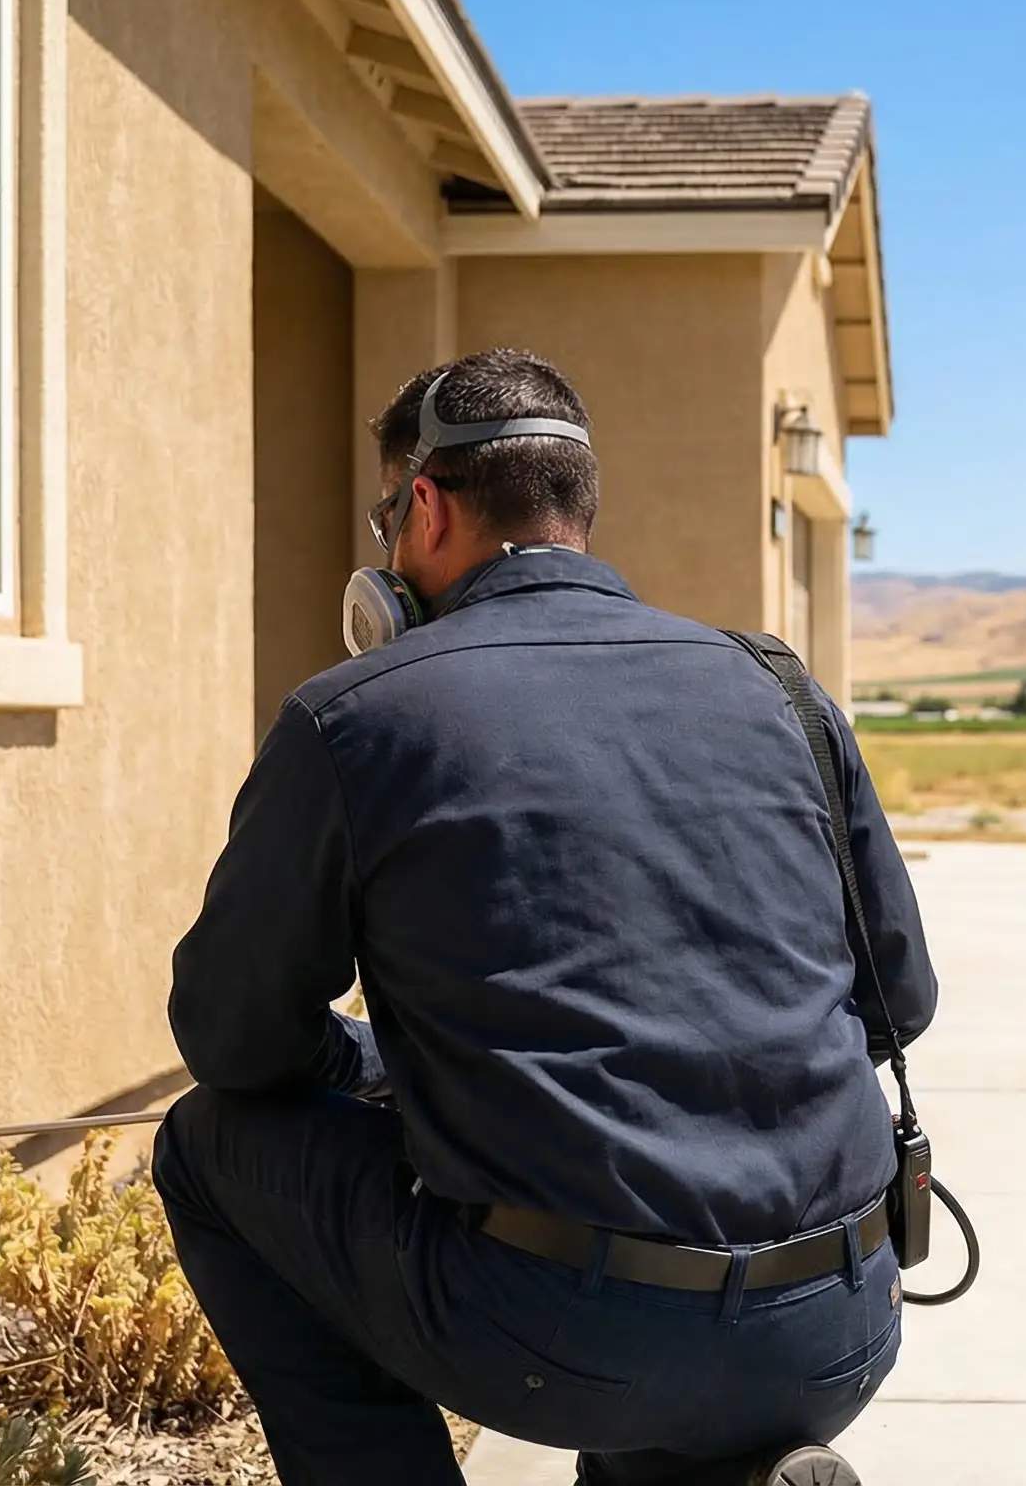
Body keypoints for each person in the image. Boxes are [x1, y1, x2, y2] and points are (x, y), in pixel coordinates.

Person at [154, 348, 938, 1486]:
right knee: (644, 1329)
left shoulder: (359, 716)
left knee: (209, 1145)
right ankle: (721, 1461)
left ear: (423, 507)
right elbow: (897, 1001)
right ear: (576, 512)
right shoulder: (780, 689)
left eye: (388, 518)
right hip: (843, 1323)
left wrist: (371, 1063)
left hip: (562, 1335)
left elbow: (231, 1042)